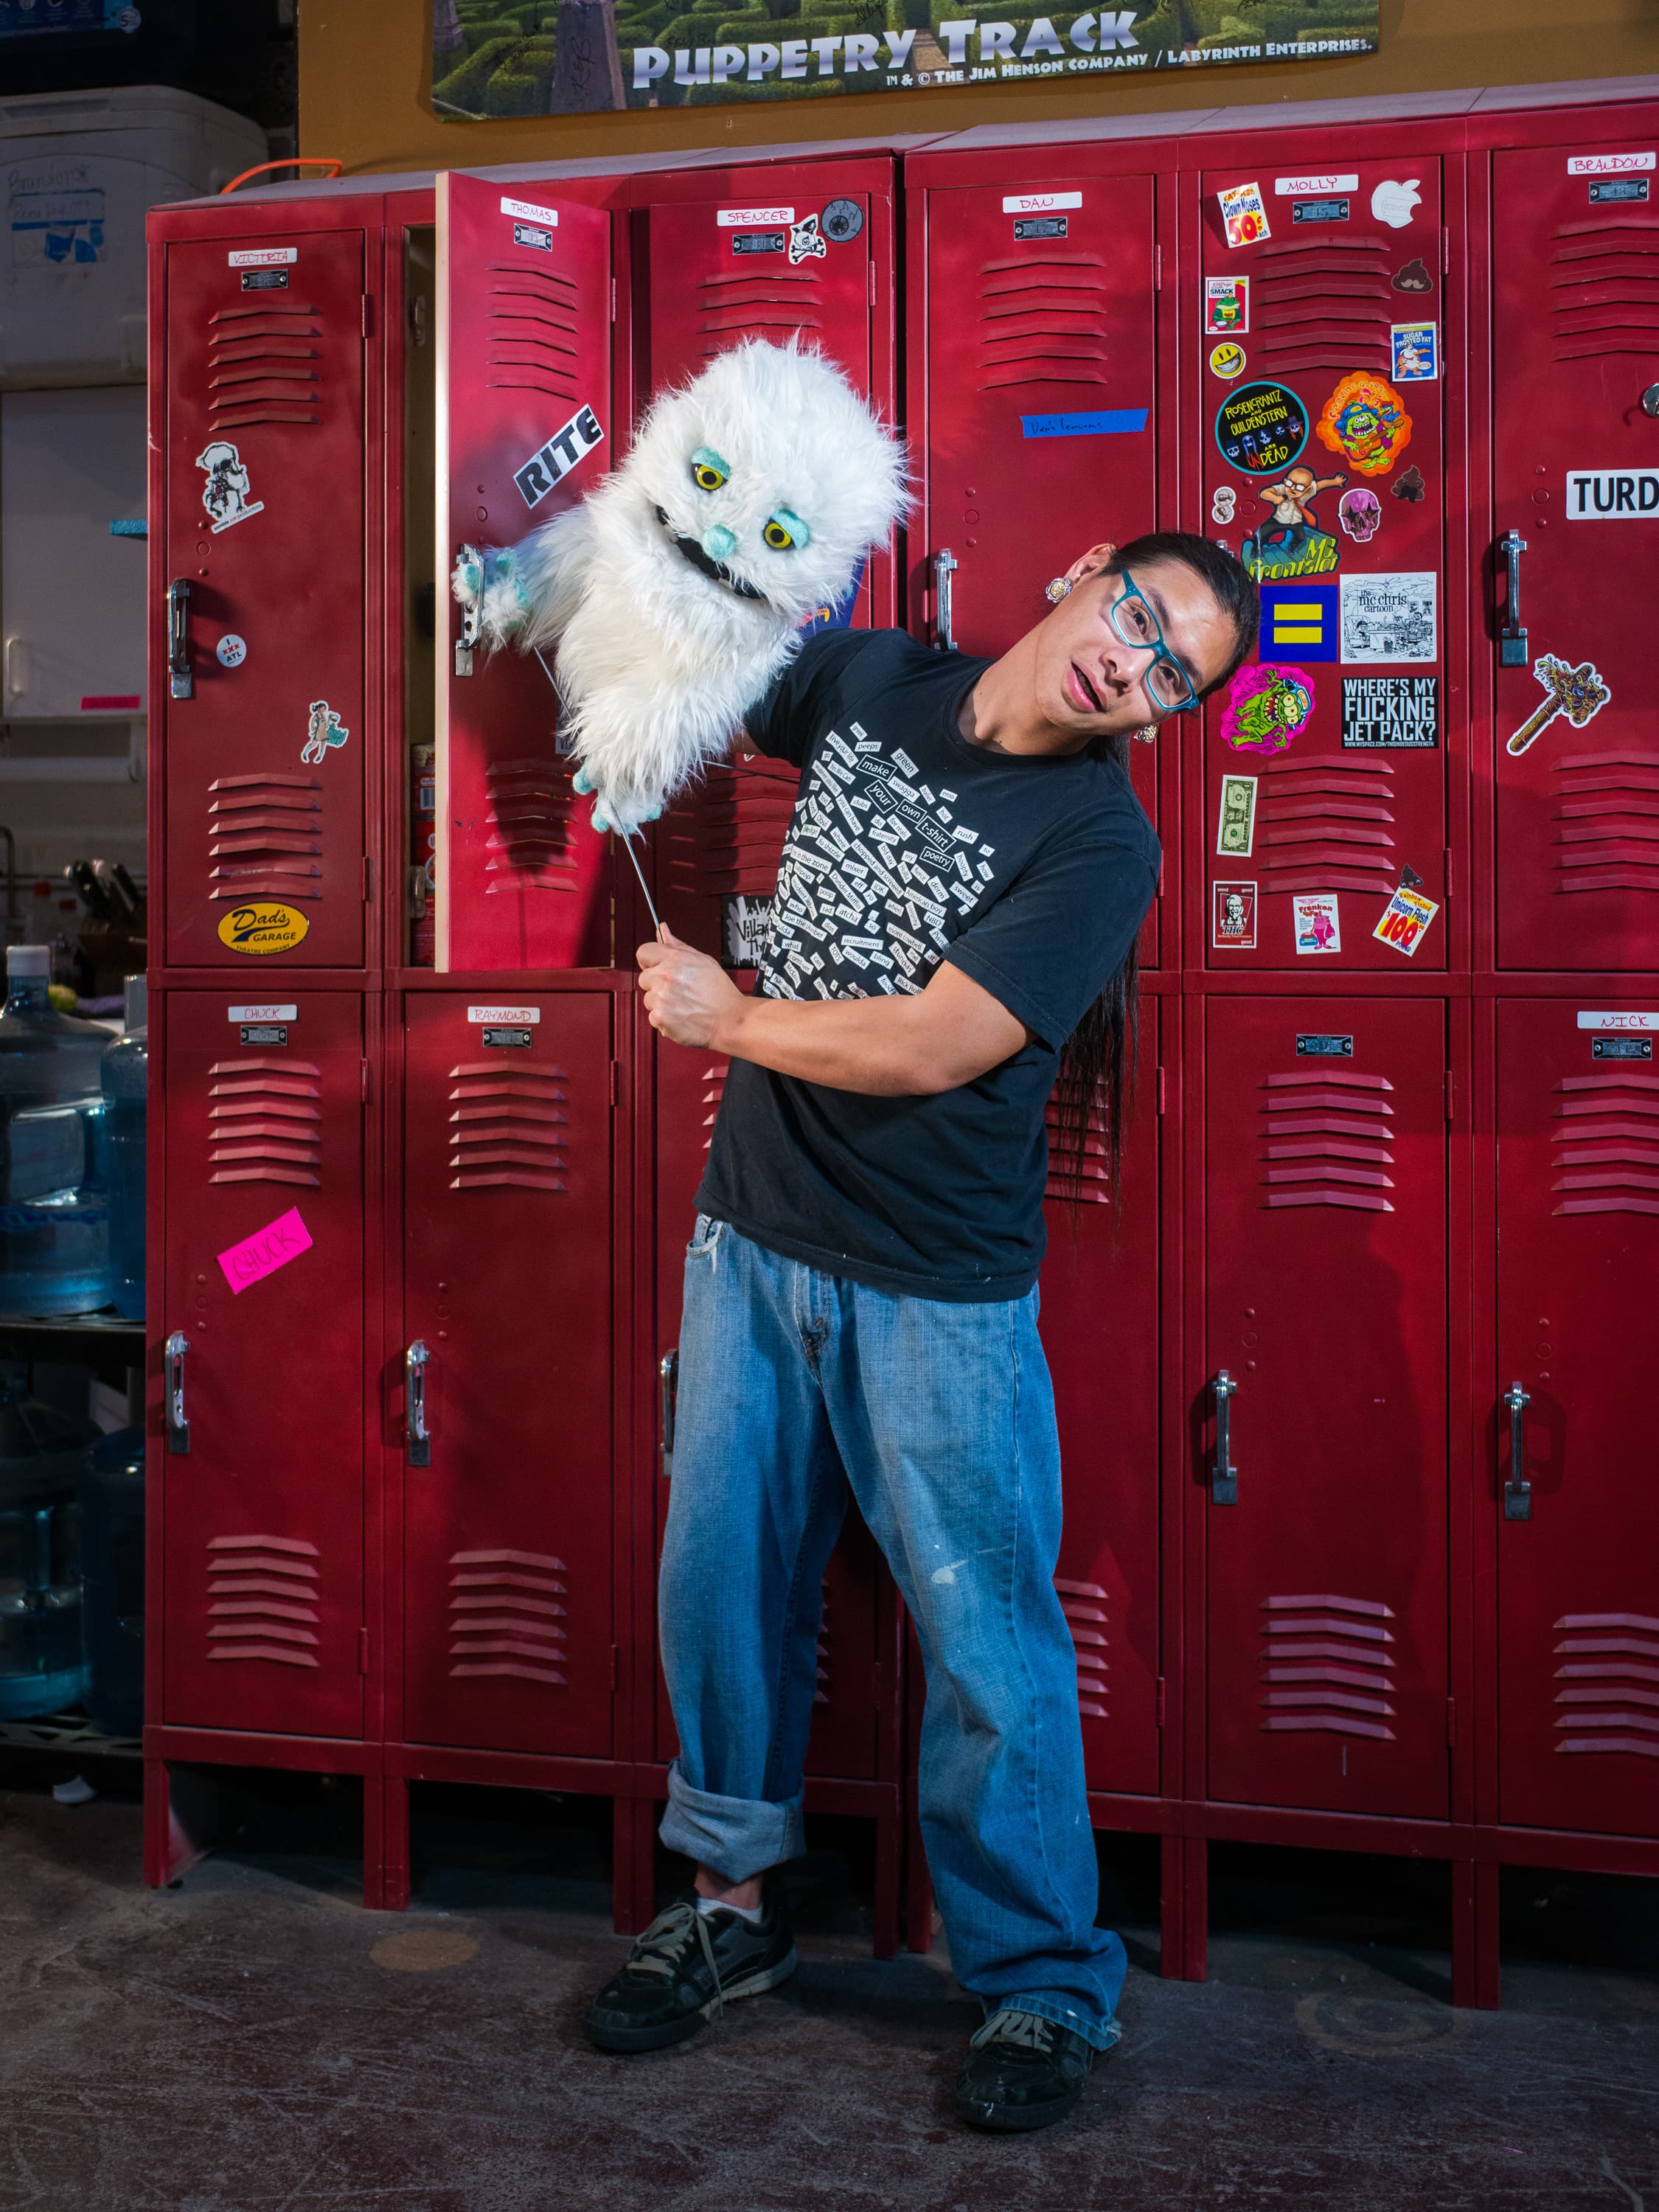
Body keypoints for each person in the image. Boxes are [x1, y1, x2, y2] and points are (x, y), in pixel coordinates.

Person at [584, 531, 1257, 2132]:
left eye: (1173, 673)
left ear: (1166, 716)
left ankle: (1042, 1984)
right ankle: (733, 1919)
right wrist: (647, 554)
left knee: (986, 1639)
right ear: (1087, 572)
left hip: (934, 1288)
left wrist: (727, 1017)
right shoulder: (880, 676)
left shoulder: (1101, 846)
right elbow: (718, 665)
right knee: (721, 1589)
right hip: (751, 1238)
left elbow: (943, 1043)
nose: (1134, 663)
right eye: (1141, 617)